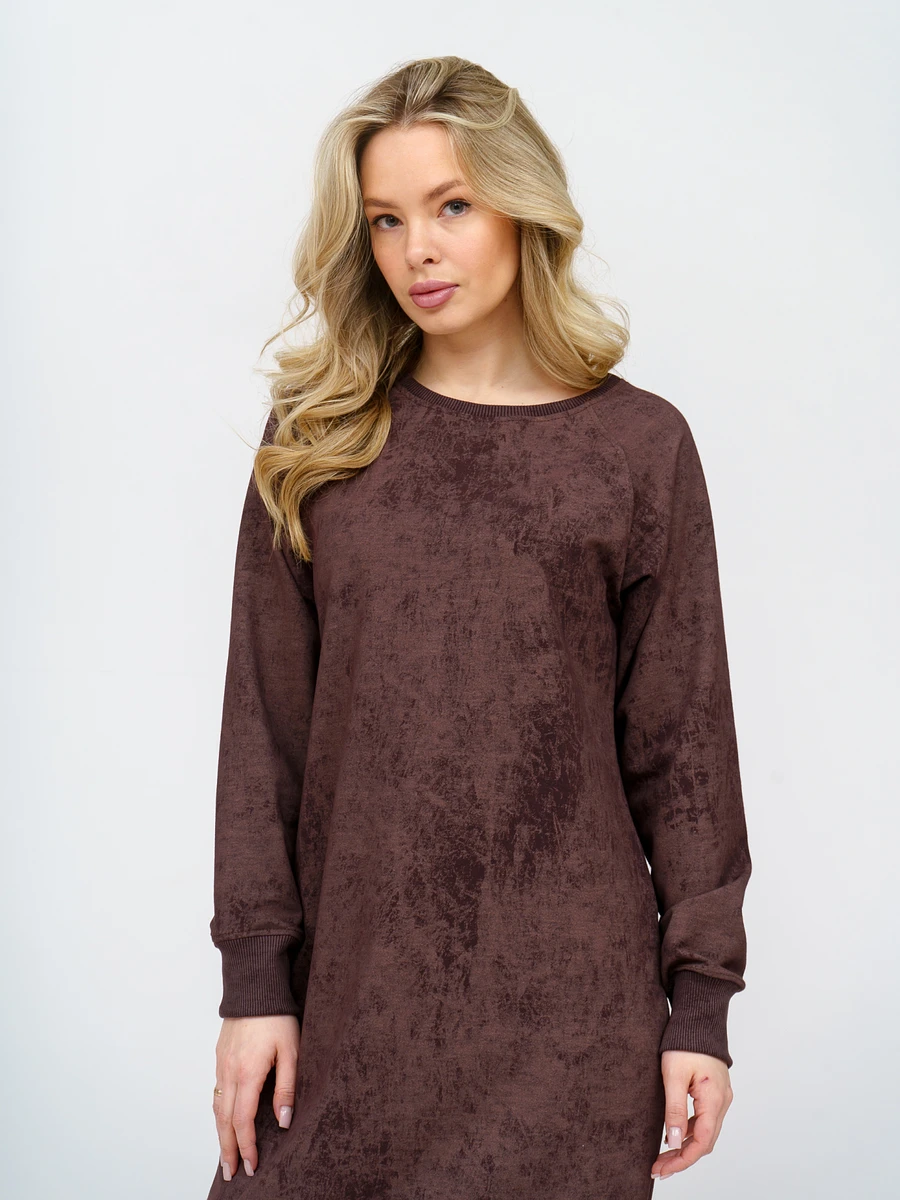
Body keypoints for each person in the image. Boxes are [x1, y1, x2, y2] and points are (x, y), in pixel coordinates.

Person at [206, 54, 752, 1200]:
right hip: (353, 998)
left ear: (521, 206)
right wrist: (254, 986)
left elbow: (684, 750)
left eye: (452, 205)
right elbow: (264, 735)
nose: (418, 248)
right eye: (387, 219)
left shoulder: (638, 449)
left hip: (572, 1023)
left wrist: (699, 1009)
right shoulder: (319, 438)